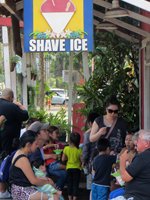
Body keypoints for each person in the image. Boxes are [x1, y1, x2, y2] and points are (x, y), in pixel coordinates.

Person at [9, 130, 56, 200]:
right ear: (28, 145)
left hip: (21, 187)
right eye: (36, 144)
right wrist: (48, 182)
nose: (37, 146)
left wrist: (44, 180)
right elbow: (34, 181)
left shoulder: (21, 153)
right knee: (55, 197)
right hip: (21, 191)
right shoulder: (22, 158)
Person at [0, 88, 29, 198]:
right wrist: (20, 106)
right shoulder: (11, 106)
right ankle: (4, 190)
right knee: (6, 164)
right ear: (10, 98)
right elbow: (25, 116)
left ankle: (2, 189)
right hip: (9, 143)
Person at [118, 129, 150, 200]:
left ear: (146, 144)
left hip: (137, 196)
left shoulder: (143, 157)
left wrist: (122, 161)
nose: (135, 144)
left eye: (138, 141)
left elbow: (125, 178)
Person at [44, 126, 67, 191]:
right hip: (48, 166)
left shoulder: (57, 143)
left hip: (55, 165)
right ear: (50, 134)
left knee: (64, 174)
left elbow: (65, 149)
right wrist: (51, 154)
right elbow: (39, 154)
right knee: (67, 168)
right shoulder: (44, 143)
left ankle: (55, 191)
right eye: (56, 133)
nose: (58, 135)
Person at [62, 132, 82, 200]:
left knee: (69, 184)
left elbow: (63, 159)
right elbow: (81, 160)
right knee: (75, 184)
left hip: (68, 169)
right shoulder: (79, 150)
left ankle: (69, 198)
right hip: (77, 169)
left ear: (70, 140)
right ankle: (74, 198)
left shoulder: (66, 148)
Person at [82, 112, 99, 190]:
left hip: (91, 163)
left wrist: (83, 161)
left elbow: (85, 150)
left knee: (91, 187)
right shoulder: (103, 132)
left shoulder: (88, 134)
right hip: (102, 163)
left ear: (90, 123)